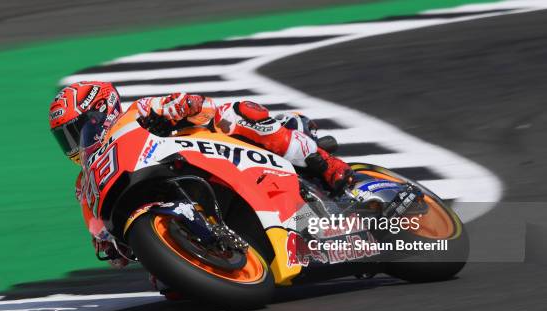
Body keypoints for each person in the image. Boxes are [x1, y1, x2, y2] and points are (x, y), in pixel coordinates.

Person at [49, 81, 353, 268]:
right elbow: (104, 242)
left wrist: (183, 106)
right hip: (166, 199)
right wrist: (106, 243)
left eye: (76, 131)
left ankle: (325, 164)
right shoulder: (84, 185)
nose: (74, 144)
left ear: (100, 112)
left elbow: (193, 105)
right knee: (171, 292)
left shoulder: (135, 114)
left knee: (240, 112)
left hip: (210, 152)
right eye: (65, 138)